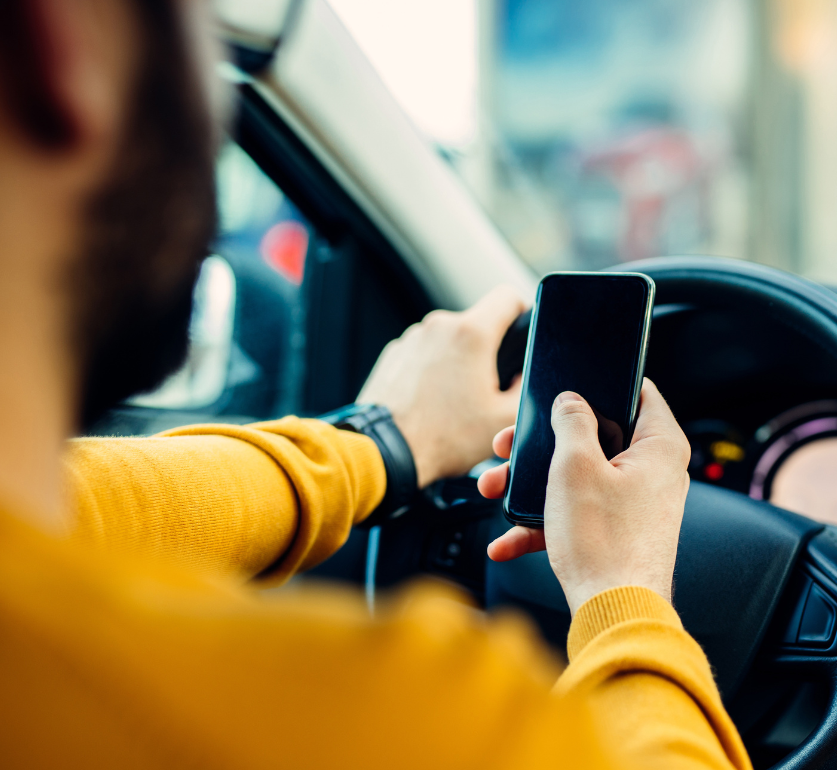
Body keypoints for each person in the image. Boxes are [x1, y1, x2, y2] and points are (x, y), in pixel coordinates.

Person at [0, 1, 752, 768]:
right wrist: (624, 593)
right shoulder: (404, 719)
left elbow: (92, 506)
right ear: (65, 35)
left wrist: (387, 440)